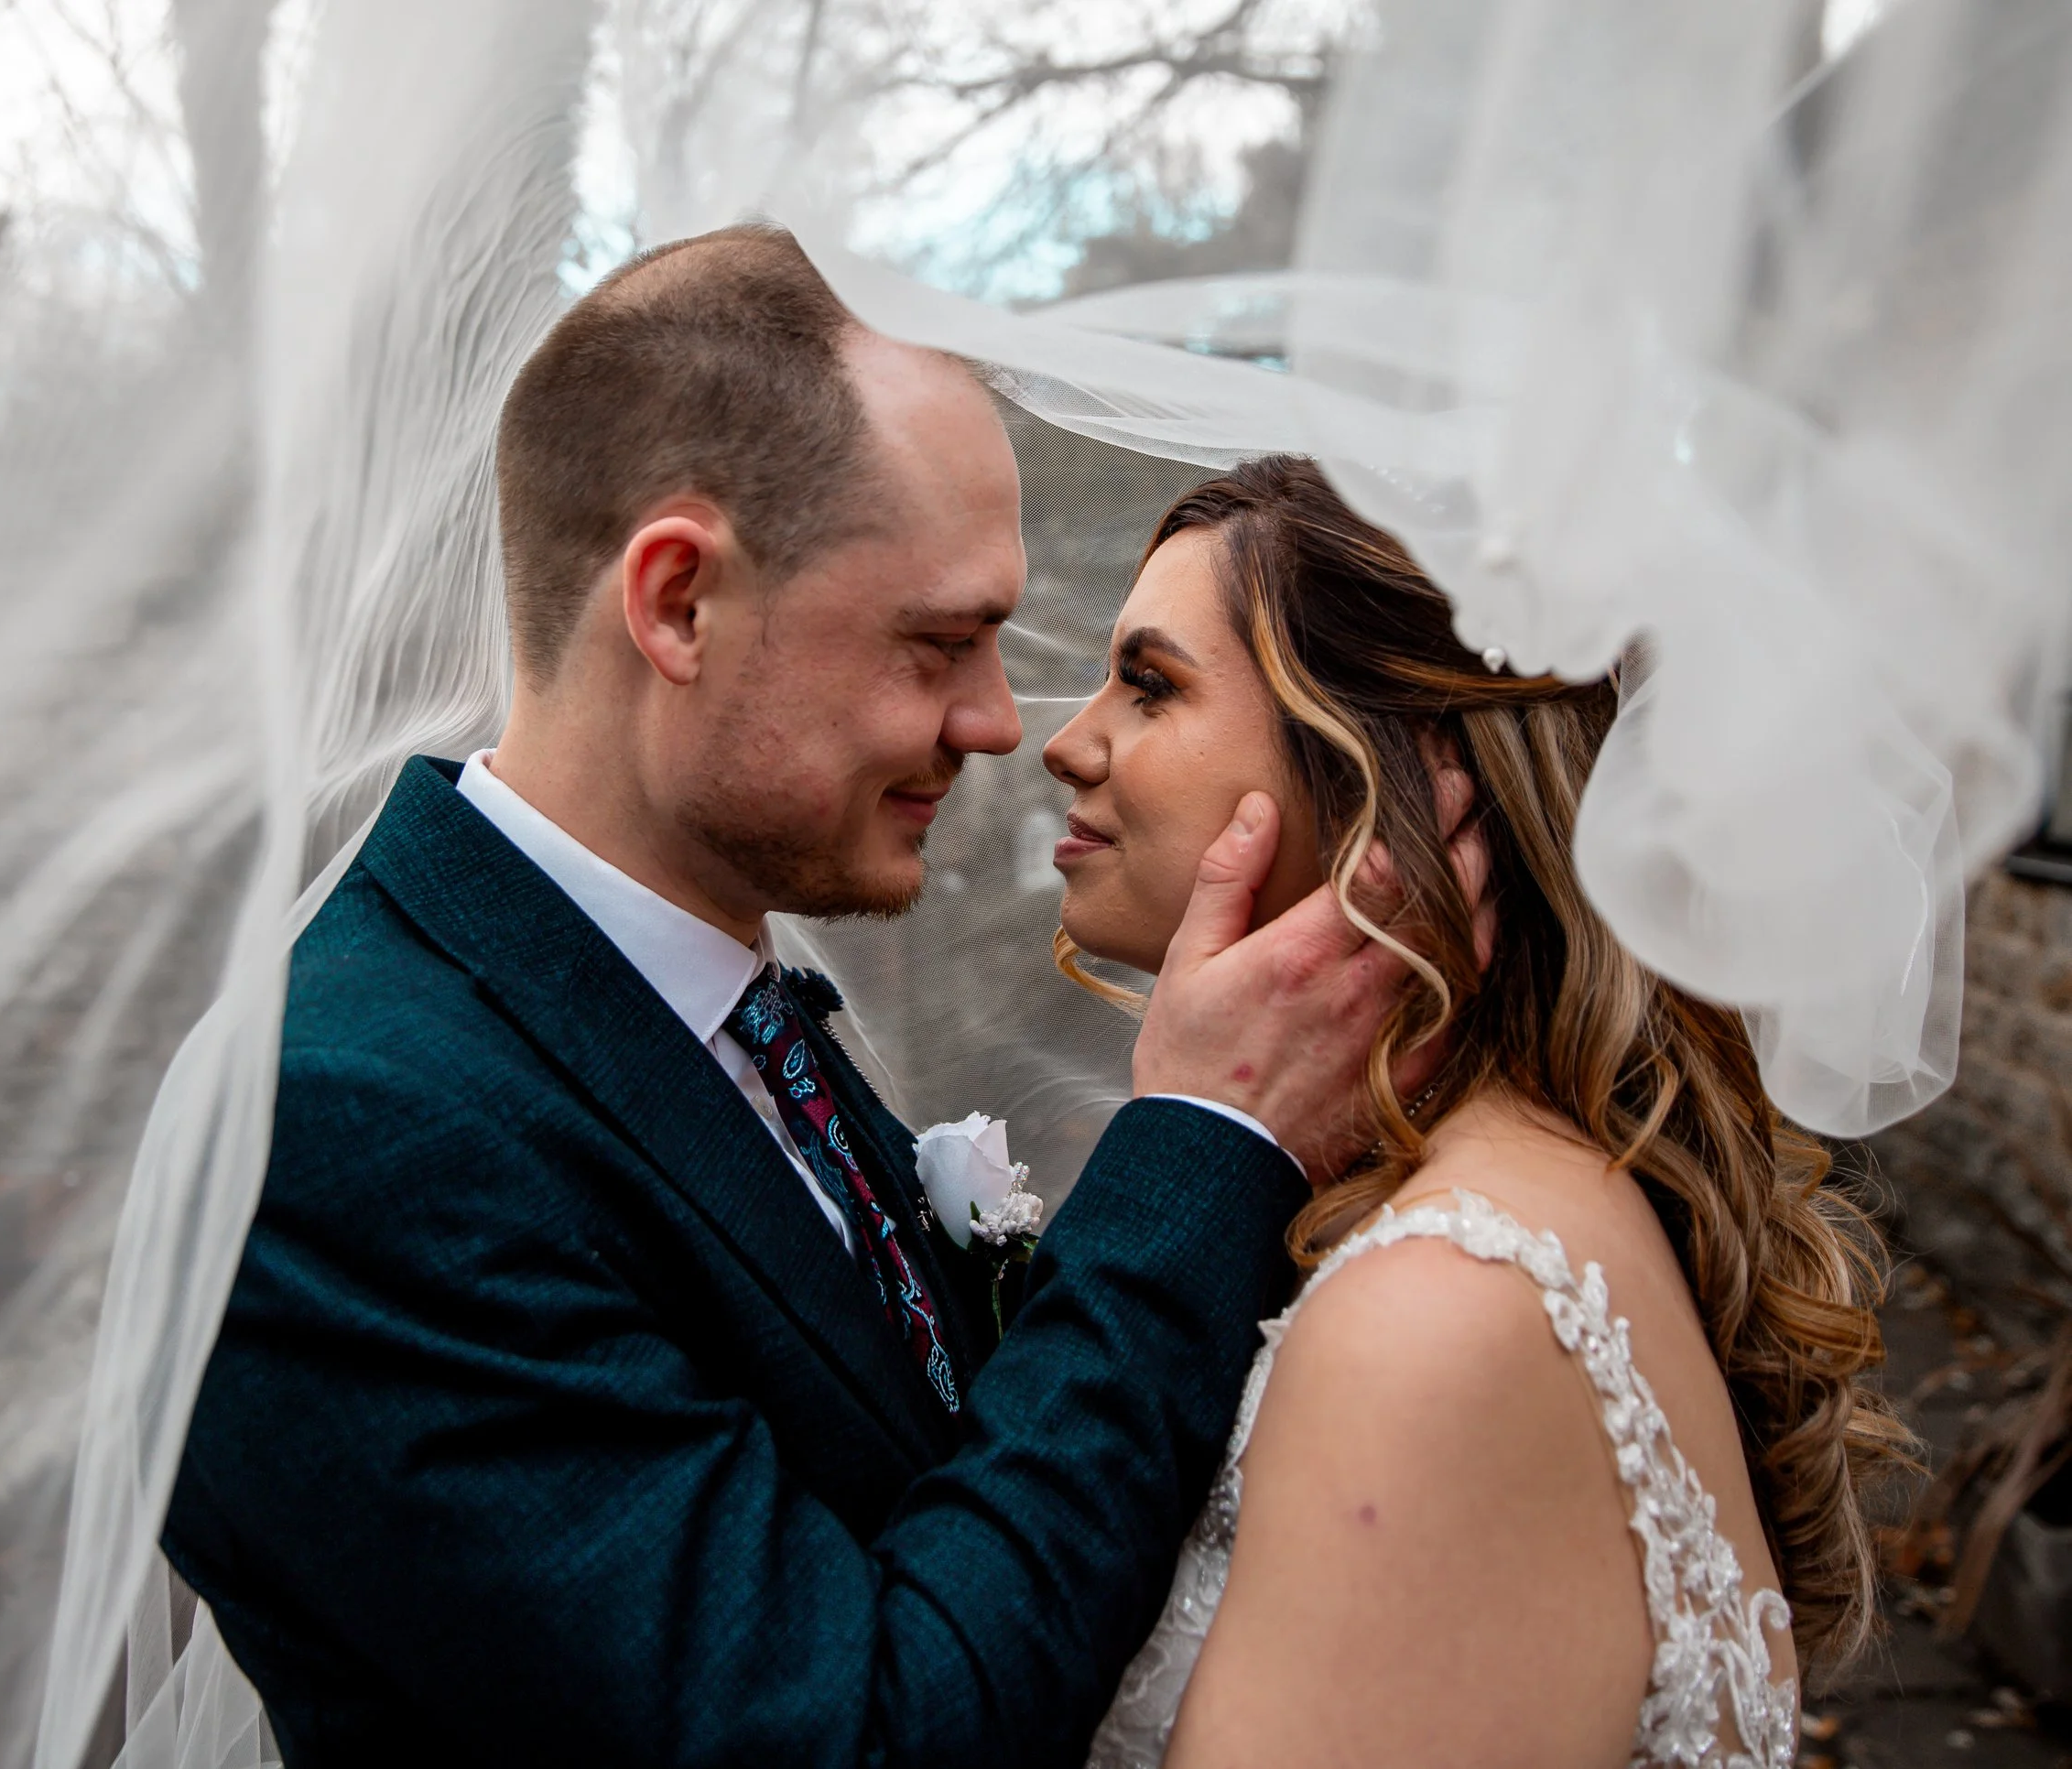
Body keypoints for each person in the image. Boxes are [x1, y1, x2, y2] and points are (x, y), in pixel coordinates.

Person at [160, 229, 1483, 1765]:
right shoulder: (346, 1132)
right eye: (941, 642)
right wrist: (1200, 1140)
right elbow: (849, 1734)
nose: (1000, 722)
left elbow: (942, 1477)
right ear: (676, 604)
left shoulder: (732, 1013)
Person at [1047, 457, 1913, 1769]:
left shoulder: (1441, 1317)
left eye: (1152, 684)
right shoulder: (1510, 1187)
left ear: (1393, 772)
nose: (1068, 737)